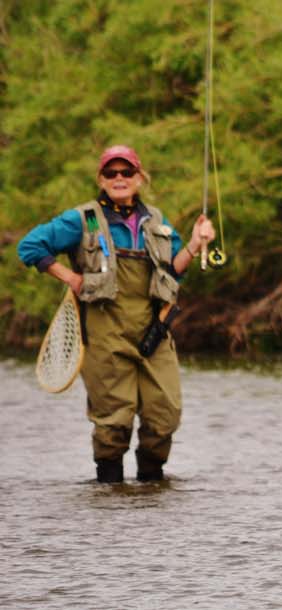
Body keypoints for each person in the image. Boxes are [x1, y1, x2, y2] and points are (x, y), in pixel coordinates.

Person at [17, 145, 215, 483]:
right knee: (114, 422)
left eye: (127, 172)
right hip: (104, 334)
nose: (119, 178)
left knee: (164, 417)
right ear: (101, 179)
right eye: (111, 173)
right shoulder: (87, 218)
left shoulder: (155, 219)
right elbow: (30, 246)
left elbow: (174, 270)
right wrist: (71, 278)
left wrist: (196, 244)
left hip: (154, 332)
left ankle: (151, 483)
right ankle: (110, 494)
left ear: (140, 178)